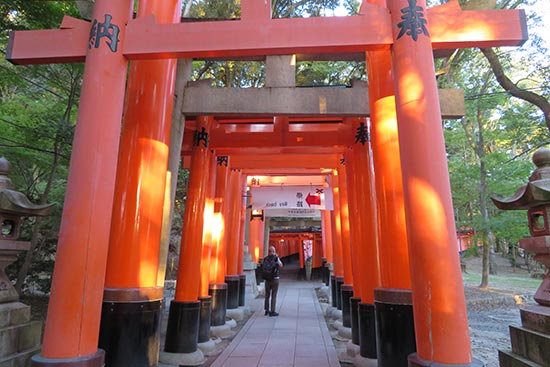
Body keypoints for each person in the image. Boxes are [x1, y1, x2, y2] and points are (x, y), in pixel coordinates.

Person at [263, 246, 283, 316]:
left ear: (269, 252)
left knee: (267, 295)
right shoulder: (276, 258)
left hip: (267, 279)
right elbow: (281, 265)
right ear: (274, 251)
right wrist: (277, 258)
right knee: (273, 295)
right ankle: (272, 311)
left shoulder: (266, 259)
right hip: (275, 279)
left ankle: (266, 310)